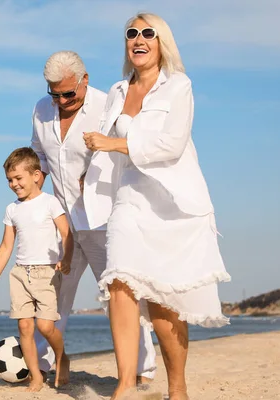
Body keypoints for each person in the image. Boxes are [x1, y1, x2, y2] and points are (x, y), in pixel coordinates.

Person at [83, 13, 231, 400]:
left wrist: (112, 143)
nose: (138, 38)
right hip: (130, 196)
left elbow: (172, 145)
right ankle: (125, 385)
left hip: (173, 204)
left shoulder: (178, 86)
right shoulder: (116, 90)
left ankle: (177, 388)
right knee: (119, 283)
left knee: (165, 305)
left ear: (161, 41)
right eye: (131, 33)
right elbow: (96, 138)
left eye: (148, 32)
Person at [31, 50, 157, 382]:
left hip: (105, 220)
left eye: (68, 93)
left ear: (84, 80)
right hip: (62, 225)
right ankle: (41, 365)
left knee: (122, 295)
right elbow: (41, 154)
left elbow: (133, 148)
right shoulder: (42, 110)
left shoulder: (108, 104)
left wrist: (100, 171)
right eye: (54, 94)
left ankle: (142, 370)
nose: (61, 100)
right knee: (52, 297)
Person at [0, 147, 73, 392]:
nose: (13, 184)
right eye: (9, 180)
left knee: (45, 326)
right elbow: (6, 246)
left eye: (18, 178)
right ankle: (35, 375)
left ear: (35, 175)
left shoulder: (50, 202)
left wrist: (66, 258)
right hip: (20, 273)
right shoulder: (12, 209)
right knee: (24, 326)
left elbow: (66, 233)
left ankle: (61, 356)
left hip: (46, 272)